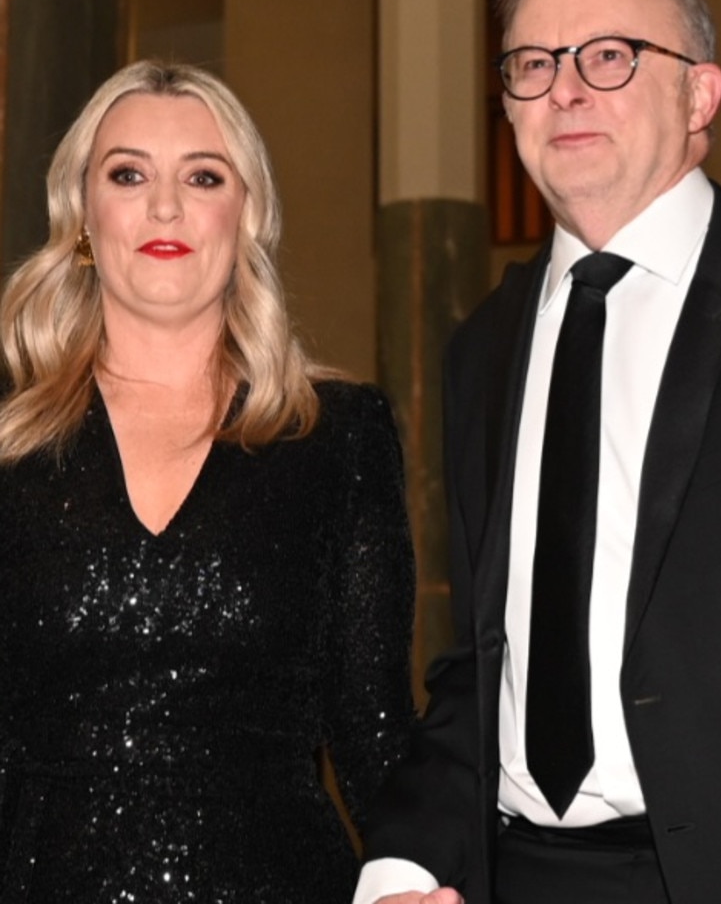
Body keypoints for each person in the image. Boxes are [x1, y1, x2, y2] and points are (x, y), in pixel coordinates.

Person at [353, 0, 721, 904]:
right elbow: (482, 661)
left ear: (700, 95)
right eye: (533, 65)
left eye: (610, 55)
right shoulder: (482, 346)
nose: (565, 89)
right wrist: (406, 859)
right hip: (513, 874)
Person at [0, 59, 416, 903]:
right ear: (83, 215)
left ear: (247, 214)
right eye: (128, 174)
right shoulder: (8, 435)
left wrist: (413, 875)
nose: (164, 206)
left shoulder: (338, 434)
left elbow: (374, 727)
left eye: (202, 176)